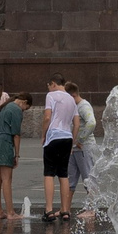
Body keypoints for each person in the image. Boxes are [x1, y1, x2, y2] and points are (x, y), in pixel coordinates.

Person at [39, 74, 75, 220]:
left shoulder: (51, 96)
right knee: (63, 174)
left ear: (53, 83)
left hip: (54, 135)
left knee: (49, 173)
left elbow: (47, 117)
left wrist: (43, 134)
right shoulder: (71, 99)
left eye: (49, 85)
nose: (49, 88)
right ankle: (65, 209)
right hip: (67, 137)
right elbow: (75, 120)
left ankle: (49, 210)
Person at [0, 89, 24, 219]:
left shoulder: (2, 108)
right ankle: (10, 212)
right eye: (26, 108)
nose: (24, 110)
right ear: (24, 102)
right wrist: (17, 155)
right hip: (4, 142)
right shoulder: (16, 109)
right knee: (7, 179)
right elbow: (16, 134)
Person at [63, 84, 97, 216]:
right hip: (74, 149)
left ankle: (91, 209)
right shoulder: (74, 106)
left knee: (88, 178)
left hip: (84, 148)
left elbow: (92, 122)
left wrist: (80, 140)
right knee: (70, 180)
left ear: (73, 95)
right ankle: (65, 209)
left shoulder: (84, 106)